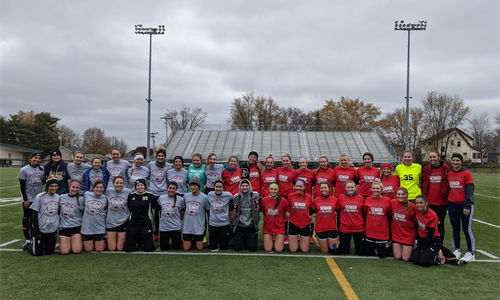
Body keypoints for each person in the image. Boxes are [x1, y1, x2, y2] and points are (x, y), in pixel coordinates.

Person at [447, 153, 475, 262]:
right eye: (453, 160)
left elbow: (469, 191)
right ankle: (457, 249)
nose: (455, 162)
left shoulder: (467, 174)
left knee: (466, 228)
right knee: (455, 228)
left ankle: (470, 252)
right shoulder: (449, 173)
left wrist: (467, 206)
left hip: (464, 205)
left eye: (457, 160)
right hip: (452, 204)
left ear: (461, 162)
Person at [18, 152, 45, 251]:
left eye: (39, 158)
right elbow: (22, 186)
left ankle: (35, 236)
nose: (37, 160)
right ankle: (27, 238)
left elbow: (43, 181)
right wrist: (25, 199)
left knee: (36, 219)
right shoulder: (24, 170)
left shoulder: (42, 170)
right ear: (31, 158)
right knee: (27, 218)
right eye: (35, 158)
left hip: (38, 198)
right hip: (28, 198)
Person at [422, 151, 450, 241]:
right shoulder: (426, 168)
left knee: (440, 224)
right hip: (429, 201)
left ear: (439, 157)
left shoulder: (446, 168)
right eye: (430, 157)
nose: (432, 159)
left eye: (434, 157)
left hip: (442, 202)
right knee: (428, 223)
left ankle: (439, 244)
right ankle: (430, 242)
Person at [27, 177, 60, 256]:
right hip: (41, 227)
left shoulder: (58, 197)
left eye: (56, 186)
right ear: (47, 187)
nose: (54, 188)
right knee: (38, 253)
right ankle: (29, 245)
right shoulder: (40, 197)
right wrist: (35, 229)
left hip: (52, 228)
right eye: (51, 186)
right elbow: (34, 213)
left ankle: (44, 244)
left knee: (50, 252)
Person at [178, 177, 210, 251]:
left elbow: (207, 209)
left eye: (195, 185)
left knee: (200, 248)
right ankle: (190, 240)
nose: (193, 187)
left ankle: (196, 239)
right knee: (186, 248)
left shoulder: (204, 197)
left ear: (199, 186)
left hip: (198, 226)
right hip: (187, 226)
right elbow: (182, 208)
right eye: (191, 185)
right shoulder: (186, 196)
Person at [124, 178, 155, 252]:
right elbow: (129, 208)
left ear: (144, 186)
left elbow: (153, 211)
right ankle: (138, 239)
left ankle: (142, 239)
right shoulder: (131, 196)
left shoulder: (150, 196)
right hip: (133, 223)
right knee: (128, 249)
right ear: (135, 187)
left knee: (149, 249)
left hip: (145, 223)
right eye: (138, 185)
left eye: (141, 185)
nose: (140, 187)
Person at [363, 179, 392, 258]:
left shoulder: (387, 200)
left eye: (377, 188)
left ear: (382, 189)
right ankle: (375, 246)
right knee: (368, 254)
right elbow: (365, 212)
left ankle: (391, 247)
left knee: (381, 255)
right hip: (370, 230)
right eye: (374, 188)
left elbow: (389, 213)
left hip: (382, 230)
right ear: (371, 189)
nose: (375, 190)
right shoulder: (367, 199)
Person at [148, 146, 172, 241]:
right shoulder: (151, 164)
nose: (160, 157)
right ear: (156, 156)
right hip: (153, 193)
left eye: (162, 156)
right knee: (154, 215)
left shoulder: (168, 166)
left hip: (164, 194)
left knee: (164, 214)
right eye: (159, 156)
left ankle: (164, 232)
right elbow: (147, 175)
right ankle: (155, 233)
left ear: (165, 157)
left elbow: (168, 179)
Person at [412, 195, 443, 267]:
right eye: (417, 203)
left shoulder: (432, 215)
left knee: (423, 262)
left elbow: (430, 233)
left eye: (421, 203)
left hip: (432, 240)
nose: (418, 205)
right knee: (415, 260)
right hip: (422, 240)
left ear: (426, 203)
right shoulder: (417, 211)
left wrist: (424, 248)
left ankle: (437, 256)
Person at [231, 179, 260, 252]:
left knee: (253, 249)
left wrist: (256, 222)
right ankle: (243, 239)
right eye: (243, 186)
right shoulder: (236, 197)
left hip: (251, 227)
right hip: (240, 226)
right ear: (240, 187)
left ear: (249, 186)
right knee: (237, 248)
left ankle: (248, 239)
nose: (245, 187)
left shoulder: (255, 196)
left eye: (246, 186)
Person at [337, 180, 365, 255]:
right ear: (345, 188)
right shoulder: (341, 197)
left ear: (356, 188)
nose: (350, 189)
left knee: (360, 252)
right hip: (345, 228)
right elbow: (338, 210)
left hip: (358, 227)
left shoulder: (361, 198)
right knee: (344, 252)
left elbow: (364, 211)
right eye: (348, 187)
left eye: (352, 187)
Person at [311, 182, 339, 255]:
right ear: (319, 189)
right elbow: (311, 212)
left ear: (329, 189)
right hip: (320, 228)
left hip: (332, 228)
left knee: (335, 250)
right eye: (322, 188)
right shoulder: (316, 200)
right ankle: (322, 240)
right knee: (324, 251)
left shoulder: (335, 200)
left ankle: (334, 241)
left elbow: (339, 211)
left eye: (325, 188)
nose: (323, 189)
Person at [260, 183, 288, 253]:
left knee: (279, 250)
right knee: (268, 249)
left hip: (279, 227)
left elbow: (286, 211)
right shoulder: (264, 200)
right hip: (268, 227)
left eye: (275, 189)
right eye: (271, 189)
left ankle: (279, 241)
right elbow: (263, 210)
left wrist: (282, 221)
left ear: (278, 190)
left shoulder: (283, 200)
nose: (273, 191)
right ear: (269, 190)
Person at [390, 187, 417, 262]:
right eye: (398, 194)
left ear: (407, 195)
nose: (400, 196)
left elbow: (416, 221)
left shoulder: (412, 206)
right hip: (396, 234)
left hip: (408, 235)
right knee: (398, 257)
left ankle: (414, 247)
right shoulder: (392, 202)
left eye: (403, 194)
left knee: (406, 258)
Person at [105, 176, 131, 251]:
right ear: (113, 183)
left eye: (121, 183)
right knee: (112, 248)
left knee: (120, 248)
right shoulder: (109, 191)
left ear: (124, 184)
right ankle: (103, 240)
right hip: (111, 221)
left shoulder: (128, 192)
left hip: (123, 220)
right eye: (117, 183)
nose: (119, 185)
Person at [81, 180, 108, 253]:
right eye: (97, 187)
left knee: (99, 249)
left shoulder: (104, 198)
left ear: (103, 189)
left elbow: (107, 208)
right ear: (93, 188)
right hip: (87, 226)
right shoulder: (87, 194)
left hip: (99, 226)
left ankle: (105, 242)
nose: (99, 189)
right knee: (88, 250)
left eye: (101, 188)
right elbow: (83, 206)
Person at [207, 180, 234, 251]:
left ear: (223, 188)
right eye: (216, 187)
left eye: (220, 187)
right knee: (213, 247)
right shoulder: (210, 194)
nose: (218, 189)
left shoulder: (228, 195)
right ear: (214, 187)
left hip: (224, 223)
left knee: (224, 247)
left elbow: (234, 202)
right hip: (213, 223)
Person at [58, 180, 84, 255]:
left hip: (76, 227)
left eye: (77, 188)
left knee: (77, 251)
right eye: (73, 187)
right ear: (69, 187)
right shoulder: (61, 197)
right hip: (64, 227)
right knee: (64, 252)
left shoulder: (81, 199)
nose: (75, 189)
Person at [287, 180, 313, 253]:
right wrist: (288, 215)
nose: (298, 188)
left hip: (305, 224)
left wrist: (309, 217)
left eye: (301, 186)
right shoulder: (290, 196)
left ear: (304, 187)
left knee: (304, 250)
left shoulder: (309, 197)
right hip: (293, 223)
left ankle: (303, 240)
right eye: (297, 186)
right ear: (295, 186)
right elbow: (287, 207)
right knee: (293, 250)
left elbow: (311, 209)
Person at [158, 182, 183, 250]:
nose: (171, 190)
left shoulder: (180, 199)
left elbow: (182, 211)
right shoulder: (161, 198)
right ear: (167, 189)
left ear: (176, 189)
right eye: (170, 188)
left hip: (175, 226)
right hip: (164, 226)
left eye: (173, 188)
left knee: (176, 248)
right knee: (163, 248)